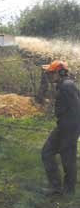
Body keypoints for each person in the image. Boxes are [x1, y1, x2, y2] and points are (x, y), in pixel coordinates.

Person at [41, 60, 80, 195]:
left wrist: (71, 130)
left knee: (68, 159)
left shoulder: (67, 86)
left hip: (69, 128)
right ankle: (56, 187)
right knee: (47, 152)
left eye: (52, 73)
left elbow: (76, 109)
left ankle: (67, 191)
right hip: (64, 126)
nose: (50, 76)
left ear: (61, 72)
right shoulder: (63, 85)